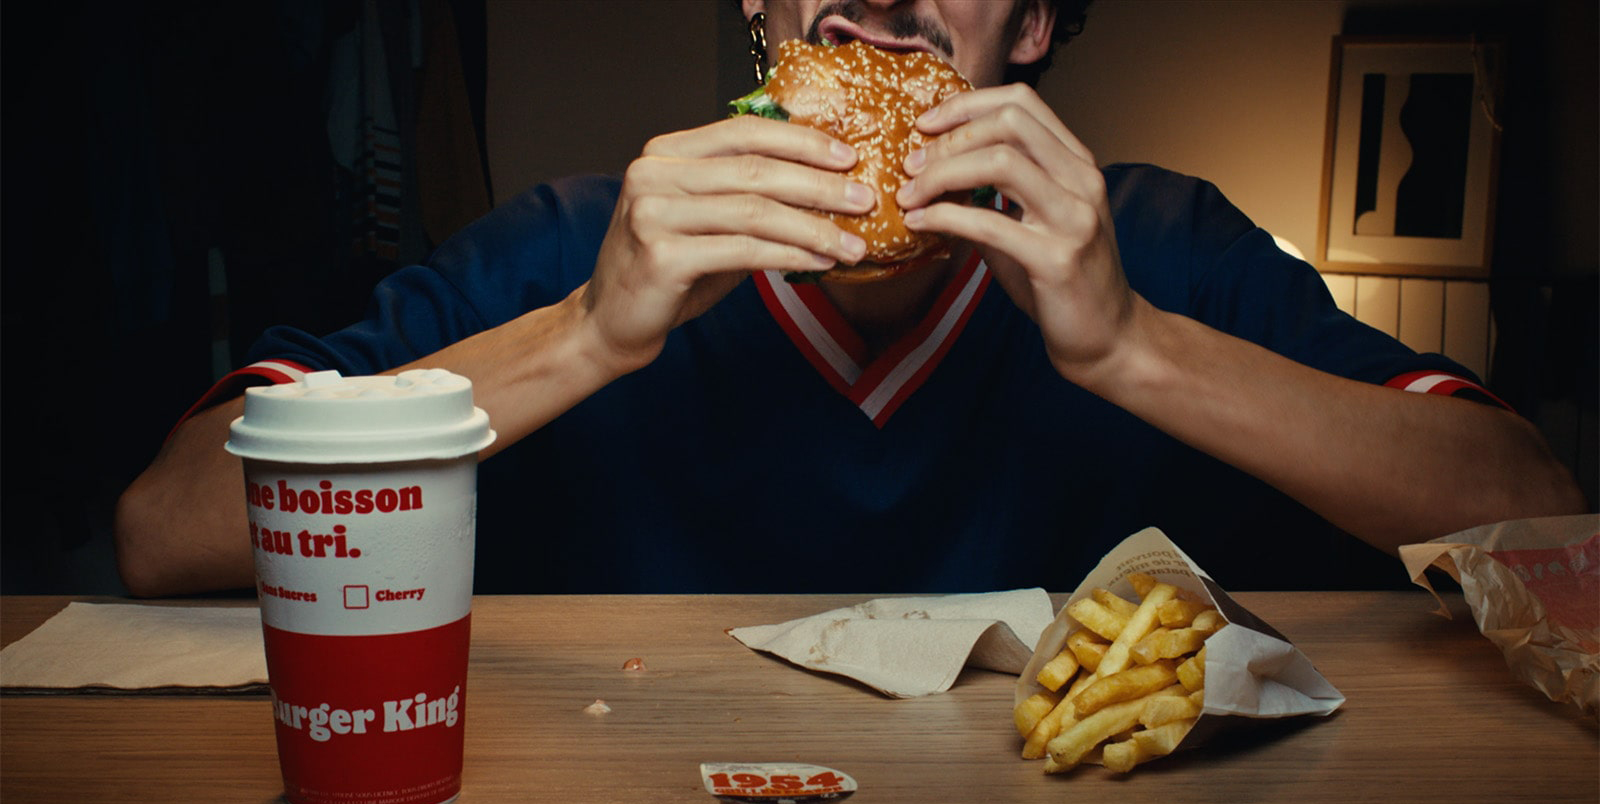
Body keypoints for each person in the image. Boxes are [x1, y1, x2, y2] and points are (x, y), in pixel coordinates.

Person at [115, 0, 1584, 598]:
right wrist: (587, 336)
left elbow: (1534, 505)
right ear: (763, 7)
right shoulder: (570, 246)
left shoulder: (1163, 244)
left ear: (1032, 22)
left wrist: (1135, 346)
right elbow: (164, 532)